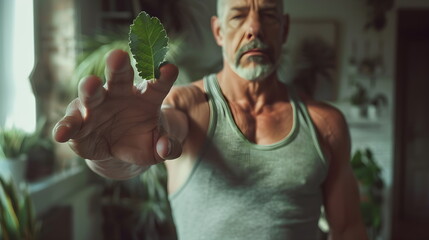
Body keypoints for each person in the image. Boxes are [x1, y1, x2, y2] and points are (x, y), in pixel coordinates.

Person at [53, 0, 368, 239]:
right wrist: (108, 155)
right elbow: (146, 145)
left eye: (268, 15)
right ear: (218, 31)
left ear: (284, 28)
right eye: (238, 15)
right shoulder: (188, 105)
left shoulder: (326, 124)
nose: (254, 28)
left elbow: (348, 228)